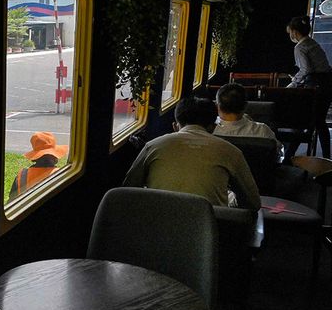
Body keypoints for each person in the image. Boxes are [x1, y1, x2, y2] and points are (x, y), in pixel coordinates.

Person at [123, 97, 261, 210]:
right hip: (207, 230)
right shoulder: (231, 152)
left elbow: (127, 191)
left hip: (156, 225)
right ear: (212, 128)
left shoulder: (152, 146)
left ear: (175, 126)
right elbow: (253, 203)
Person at [286, 15, 332, 159]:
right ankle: (326, 158)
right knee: (320, 122)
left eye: (290, 33)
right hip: (327, 85)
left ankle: (288, 158)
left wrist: (292, 84)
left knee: (301, 121)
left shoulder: (300, 47)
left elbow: (305, 70)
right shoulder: (313, 43)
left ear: (294, 32)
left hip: (315, 87)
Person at [214, 82, 282, 158]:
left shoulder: (208, 130)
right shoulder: (262, 131)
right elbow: (278, 152)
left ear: (217, 106)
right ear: (245, 106)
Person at [8, 132, 68, 199]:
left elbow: (11, 201)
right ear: (55, 157)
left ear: (35, 157)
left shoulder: (22, 176)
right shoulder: (61, 174)